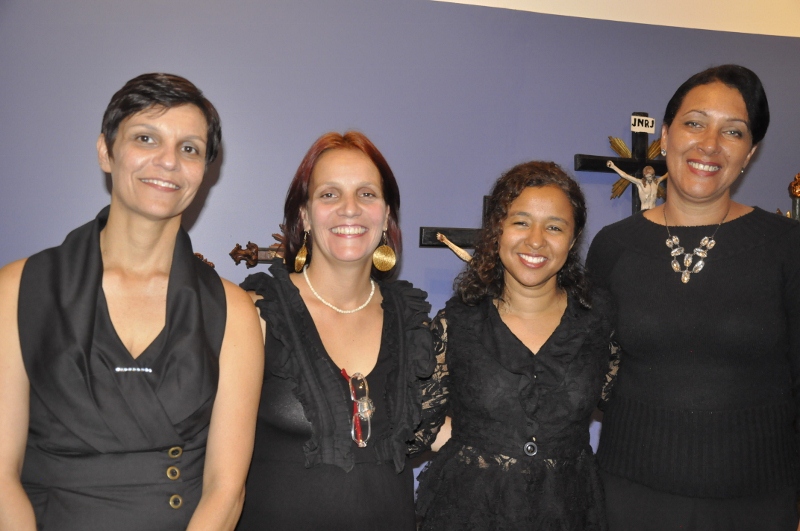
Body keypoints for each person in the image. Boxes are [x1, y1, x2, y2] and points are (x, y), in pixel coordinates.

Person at [0, 73, 264, 531]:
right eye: (146, 138)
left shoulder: (234, 311)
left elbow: (226, 490)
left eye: (189, 148)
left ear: (204, 171)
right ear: (106, 151)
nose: (169, 161)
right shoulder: (17, 289)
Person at [587, 65, 800, 530]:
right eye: (694, 123)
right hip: (628, 499)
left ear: (750, 153)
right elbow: (582, 372)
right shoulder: (612, 246)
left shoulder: (787, 246)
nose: (710, 144)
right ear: (665, 136)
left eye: (733, 131)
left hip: (757, 505)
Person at [236, 131, 434, 530]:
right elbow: (212, 471)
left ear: (387, 216)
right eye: (329, 194)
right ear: (305, 216)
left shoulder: (413, 321)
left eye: (366, 194)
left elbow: (461, 432)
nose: (350, 208)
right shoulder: (256, 314)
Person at [415, 161, 617, 530]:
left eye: (554, 227)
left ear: (572, 240)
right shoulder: (457, 322)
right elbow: (414, 421)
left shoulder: (599, 321)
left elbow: (634, 405)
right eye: (521, 222)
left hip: (570, 514)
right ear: (498, 230)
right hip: (467, 514)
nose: (536, 240)